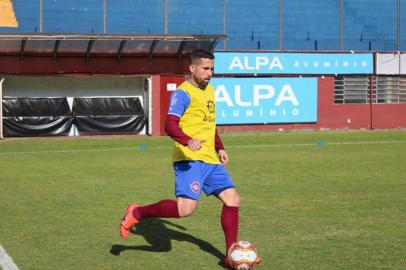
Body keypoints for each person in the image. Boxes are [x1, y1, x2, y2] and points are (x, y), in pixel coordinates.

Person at [119, 49, 261, 268]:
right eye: (206, 69)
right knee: (186, 210)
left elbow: (208, 124)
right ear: (192, 68)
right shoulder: (182, 93)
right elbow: (170, 124)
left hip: (210, 160)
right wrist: (187, 140)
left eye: (212, 69)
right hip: (189, 160)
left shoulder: (210, 90)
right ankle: (137, 212)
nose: (210, 73)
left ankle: (231, 255)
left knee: (233, 199)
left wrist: (219, 147)